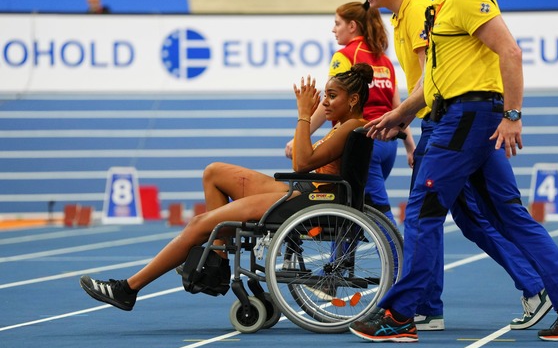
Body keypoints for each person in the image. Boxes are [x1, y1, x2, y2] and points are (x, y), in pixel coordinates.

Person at [350, 0, 558, 343]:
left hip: (467, 118)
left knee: (422, 213)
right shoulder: (443, 3)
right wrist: (400, 115)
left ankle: (400, 315)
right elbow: (435, 77)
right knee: (508, 216)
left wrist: (512, 116)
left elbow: (511, 53)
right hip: (460, 116)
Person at [80, 63, 373, 311]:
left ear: (353, 100)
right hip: (306, 192)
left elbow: (301, 162)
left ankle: (128, 289)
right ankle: (218, 259)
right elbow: (304, 164)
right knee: (214, 173)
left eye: (332, 97)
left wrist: (304, 114)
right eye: (326, 96)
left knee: (199, 224)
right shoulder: (345, 125)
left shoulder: (349, 126)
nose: (325, 102)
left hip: (311, 199)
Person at [284, 1, 416, 226]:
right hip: (389, 147)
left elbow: (332, 103)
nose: (334, 29)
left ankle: (399, 260)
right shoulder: (384, 61)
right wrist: (410, 145)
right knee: (352, 207)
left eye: (337, 24)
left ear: (352, 26)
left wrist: (299, 138)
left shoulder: (344, 57)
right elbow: (398, 108)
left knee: (377, 212)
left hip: (363, 142)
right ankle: (341, 261)